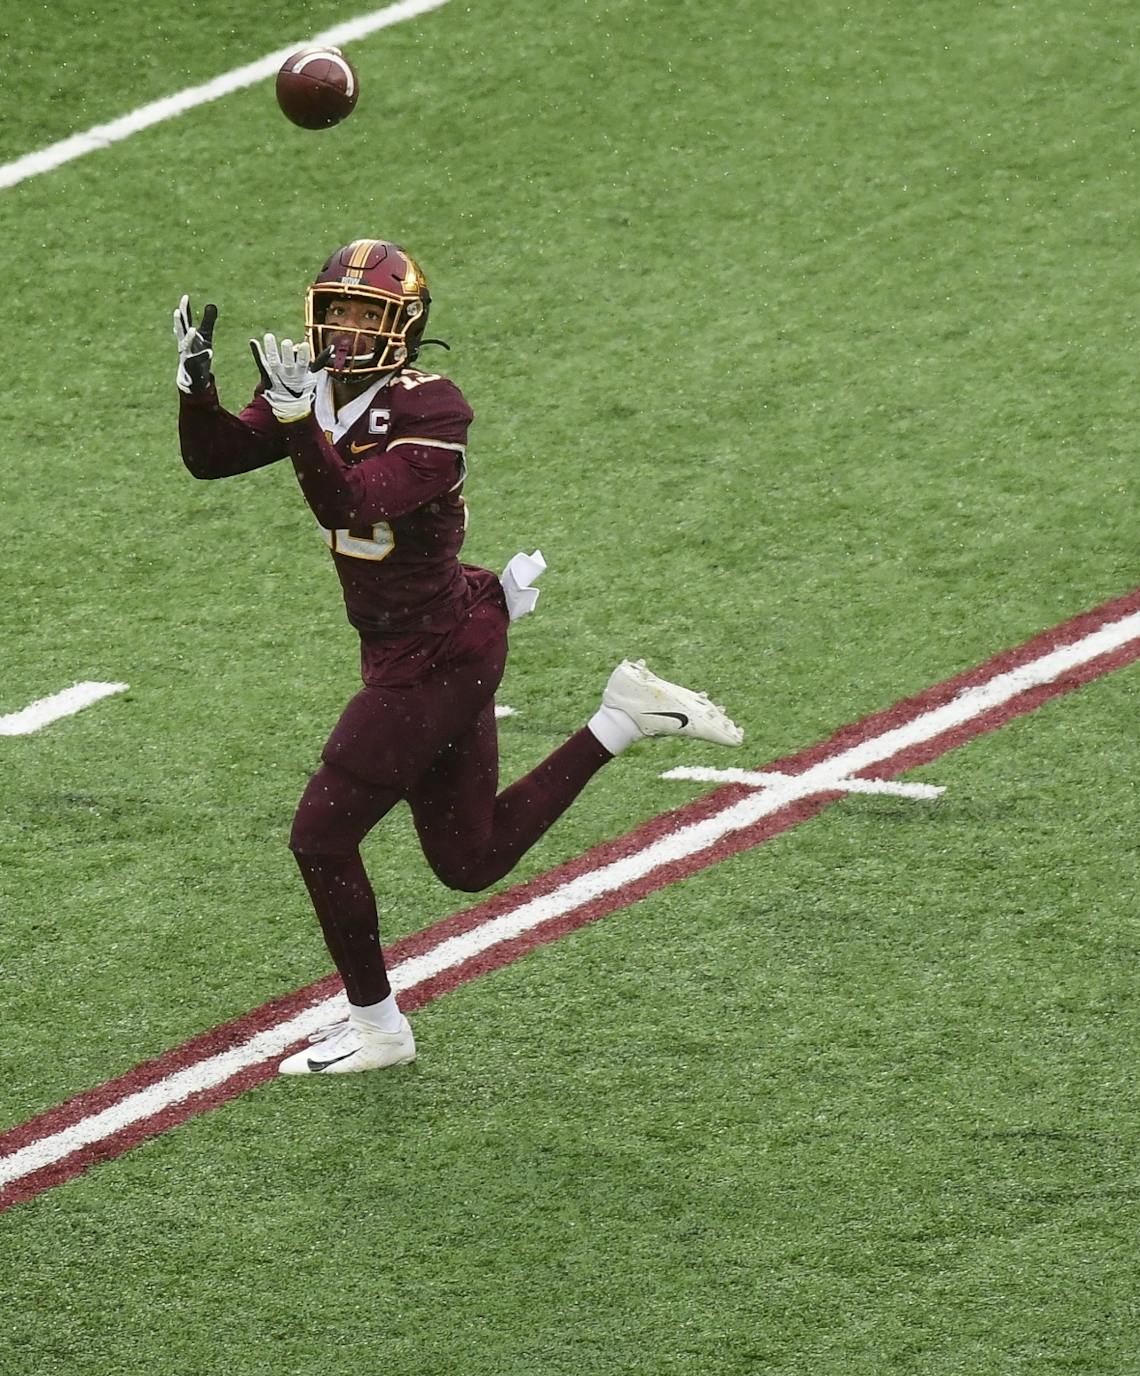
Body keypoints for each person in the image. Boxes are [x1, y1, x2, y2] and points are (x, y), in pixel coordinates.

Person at [174, 239, 746, 1076]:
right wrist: (196, 388)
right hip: (428, 640)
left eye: (367, 314)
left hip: (437, 652)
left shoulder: (431, 408)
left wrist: (297, 421)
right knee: (469, 860)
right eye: (339, 310)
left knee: (321, 838)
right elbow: (213, 458)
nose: (347, 330)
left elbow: (347, 499)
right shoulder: (313, 386)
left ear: (405, 325)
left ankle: (378, 1028)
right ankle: (623, 717)